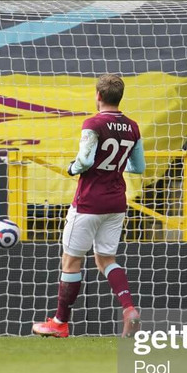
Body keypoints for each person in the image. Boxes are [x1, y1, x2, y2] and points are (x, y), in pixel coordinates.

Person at [33, 74, 145, 338]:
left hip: (89, 202)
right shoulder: (133, 127)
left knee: (71, 261)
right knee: (106, 259)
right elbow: (139, 167)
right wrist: (116, 164)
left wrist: (72, 169)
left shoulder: (93, 123)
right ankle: (129, 308)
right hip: (117, 202)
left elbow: (84, 161)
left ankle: (60, 322)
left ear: (98, 96)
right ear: (120, 97)